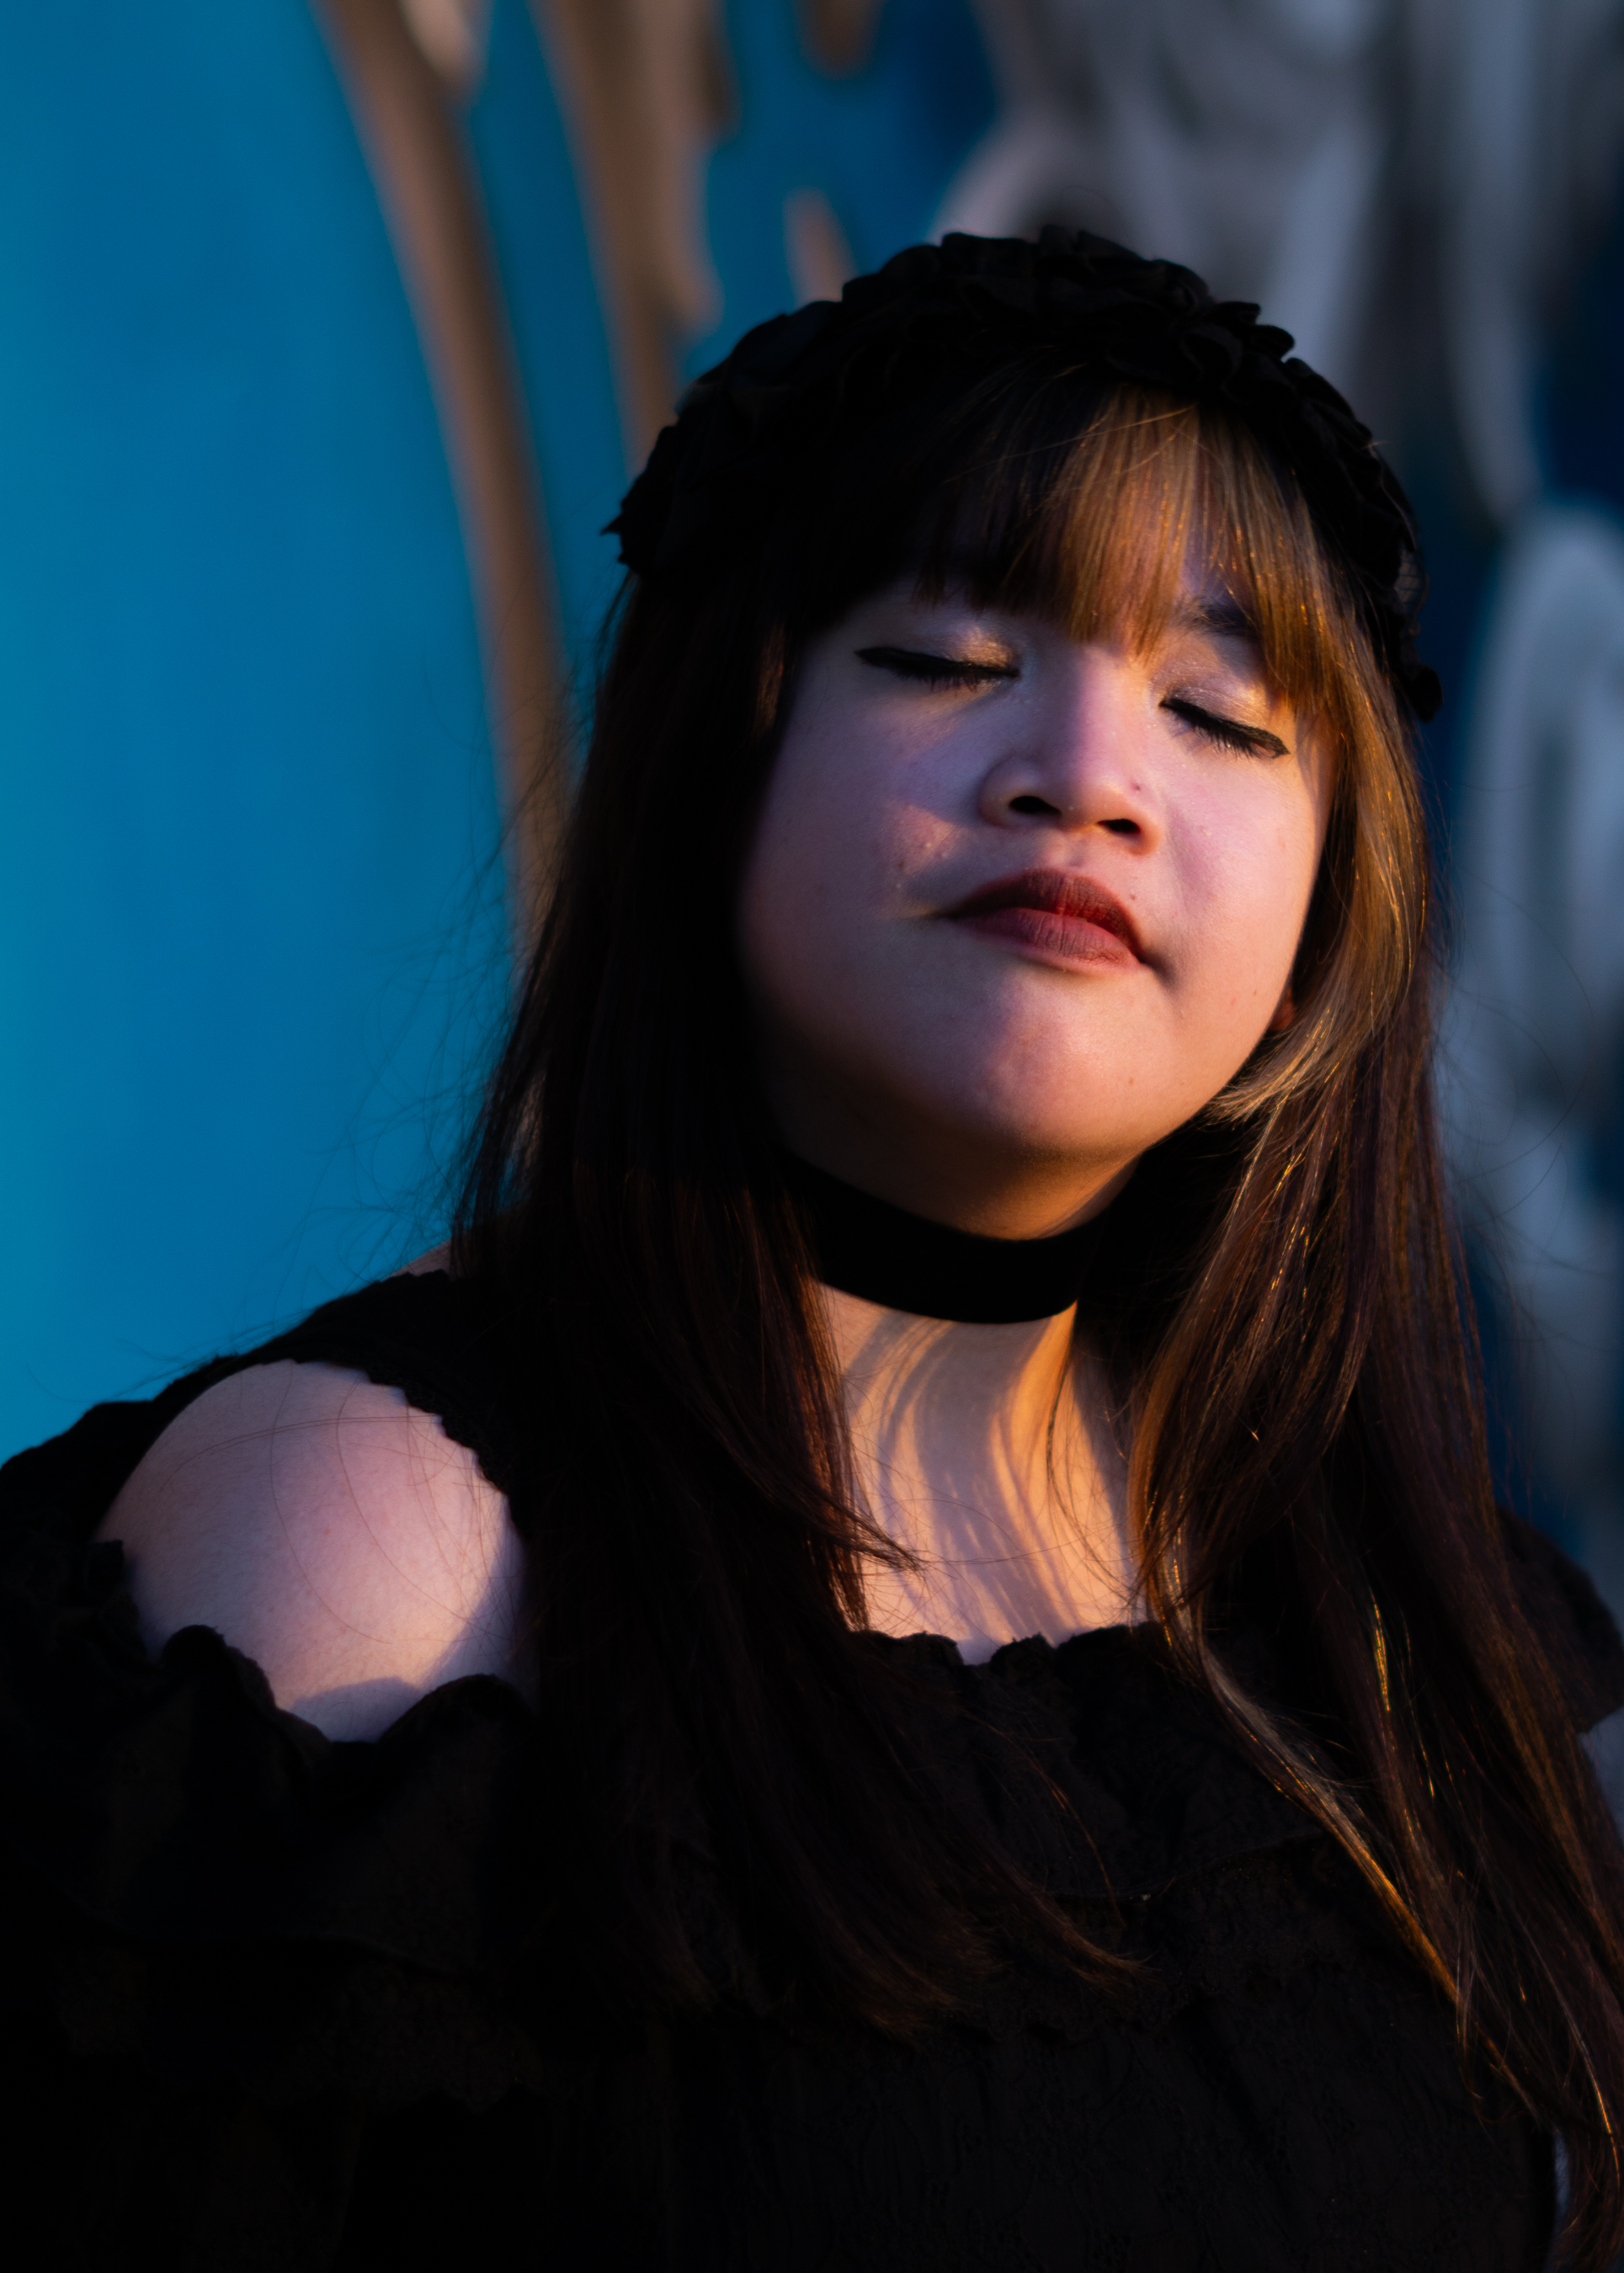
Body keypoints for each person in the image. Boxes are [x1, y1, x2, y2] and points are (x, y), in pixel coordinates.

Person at [3, 229, 1623, 2273]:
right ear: (716, 765)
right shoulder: (380, 1553)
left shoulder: (1379, 1619)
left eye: (1219, 711)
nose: (1087, 778)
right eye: (951, 657)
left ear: (1324, 935)